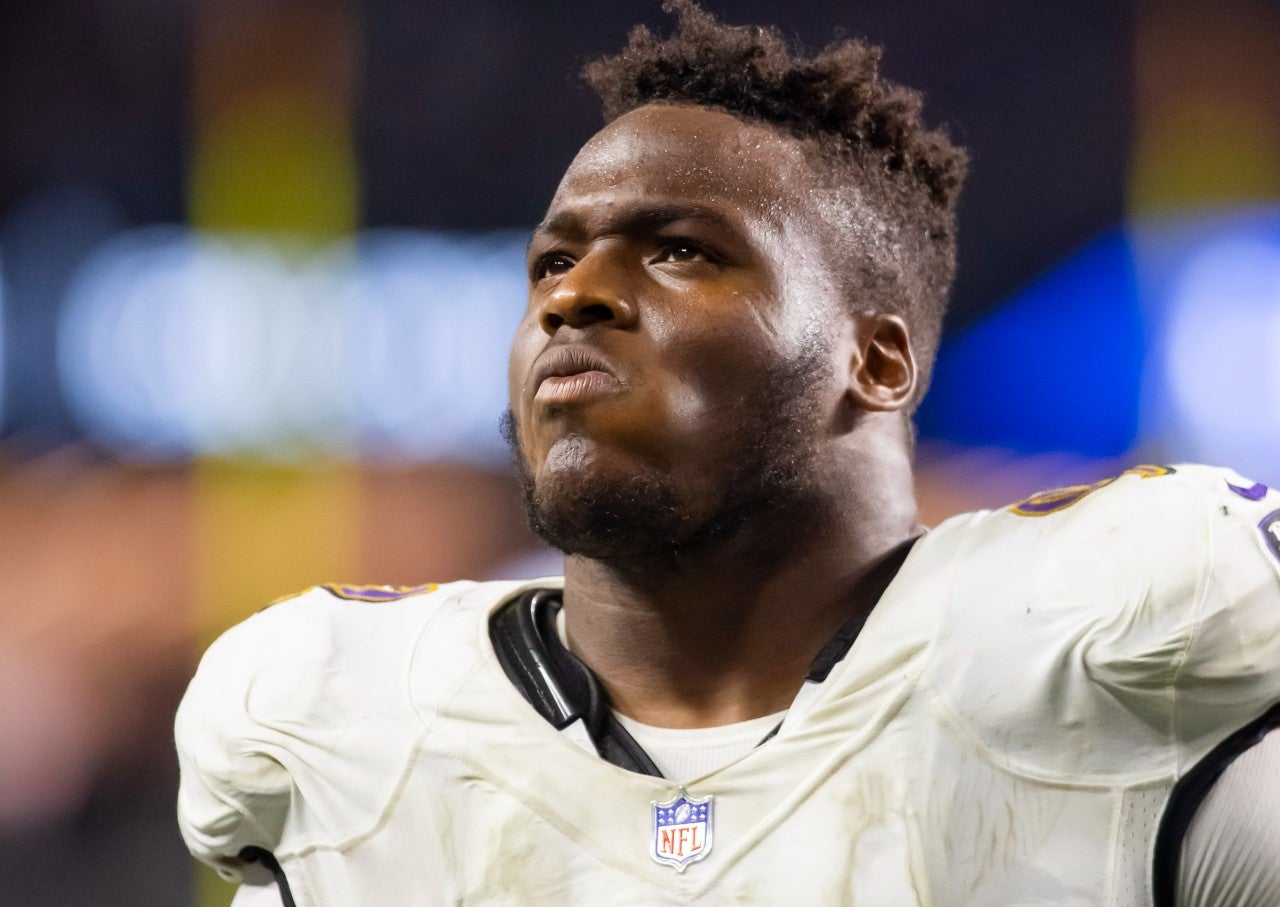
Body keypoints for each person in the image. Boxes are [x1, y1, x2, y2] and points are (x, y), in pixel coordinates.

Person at [175, 3, 1280, 904]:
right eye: (551, 262)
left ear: (878, 360)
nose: (575, 296)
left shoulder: (1114, 692)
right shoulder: (360, 751)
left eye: (679, 251)